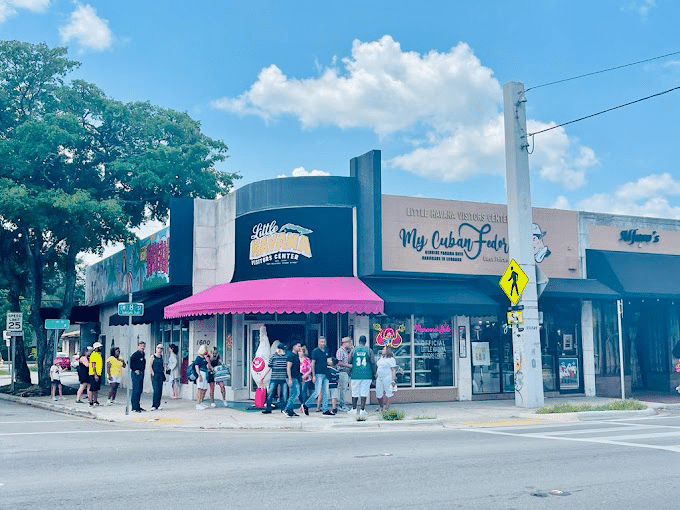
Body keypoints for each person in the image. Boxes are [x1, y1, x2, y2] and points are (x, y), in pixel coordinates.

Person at [348, 335, 375, 417]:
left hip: (355, 374)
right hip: (366, 373)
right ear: (365, 341)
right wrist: (374, 373)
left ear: (358, 341)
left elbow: (349, 361)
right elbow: (373, 362)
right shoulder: (368, 350)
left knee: (355, 392)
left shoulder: (354, 350)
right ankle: (362, 410)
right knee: (364, 391)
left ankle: (354, 409)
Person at [304, 336, 331, 416]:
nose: (323, 343)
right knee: (317, 392)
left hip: (326, 373)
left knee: (326, 392)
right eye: (321, 342)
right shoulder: (315, 351)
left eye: (324, 342)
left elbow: (328, 361)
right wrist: (313, 375)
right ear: (318, 342)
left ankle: (325, 409)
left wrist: (330, 362)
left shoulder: (327, 350)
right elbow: (313, 363)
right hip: (318, 373)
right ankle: (306, 405)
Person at [262, 343, 288, 414]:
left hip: (283, 378)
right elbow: (269, 367)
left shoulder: (286, 357)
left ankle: (283, 408)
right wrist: (263, 376)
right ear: (279, 350)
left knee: (284, 394)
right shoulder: (273, 357)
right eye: (283, 350)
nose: (284, 351)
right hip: (274, 378)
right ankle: (268, 408)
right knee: (270, 393)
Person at [375, 345, 397, 412]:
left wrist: (393, 380)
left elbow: (393, 370)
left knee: (388, 392)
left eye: (384, 349)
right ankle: (381, 407)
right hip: (379, 377)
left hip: (387, 377)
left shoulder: (391, 359)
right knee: (378, 393)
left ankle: (386, 408)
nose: (382, 350)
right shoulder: (381, 358)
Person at [284, 342, 302, 417]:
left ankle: (290, 410)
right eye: (298, 346)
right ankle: (287, 409)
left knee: (294, 393)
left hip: (296, 376)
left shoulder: (296, 356)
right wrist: (290, 379)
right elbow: (288, 367)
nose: (299, 348)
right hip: (292, 377)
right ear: (294, 347)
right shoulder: (290, 356)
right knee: (294, 393)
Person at [336, 336, 353, 410]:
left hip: (347, 372)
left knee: (345, 388)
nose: (350, 345)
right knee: (343, 389)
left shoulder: (347, 351)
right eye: (349, 343)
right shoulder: (340, 351)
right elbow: (339, 363)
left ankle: (343, 403)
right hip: (342, 371)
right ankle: (341, 404)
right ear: (345, 343)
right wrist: (349, 365)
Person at [129, 341, 146, 412]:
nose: (142, 347)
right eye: (141, 346)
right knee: (136, 389)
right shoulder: (135, 355)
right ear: (138, 346)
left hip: (141, 373)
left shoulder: (142, 354)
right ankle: (134, 407)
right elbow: (130, 362)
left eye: (143, 346)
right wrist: (135, 369)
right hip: (136, 374)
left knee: (139, 390)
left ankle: (138, 406)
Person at [149, 344, 165, 411]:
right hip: (155, 374)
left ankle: (158, 404)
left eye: (161, 348)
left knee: (160, 390)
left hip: (160, 374)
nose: (159, 349)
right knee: (156, 389)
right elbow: (150, 365)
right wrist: (152, 373)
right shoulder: (153, 356)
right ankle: (154, 405)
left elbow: (162, 366)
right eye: (158, 348)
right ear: (156, 348)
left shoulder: (161, 357)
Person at [194, 345, 210, 409]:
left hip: (205, 373)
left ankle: (201, 401)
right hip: (201, 372)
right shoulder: (198, 358)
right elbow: (196, 366)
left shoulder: (204, 357)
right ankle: (198, 403)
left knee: (204, 388)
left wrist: (206, 357)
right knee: (200, 389)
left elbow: (208, 364)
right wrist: (199, 375)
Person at [88, 341, 103, 407]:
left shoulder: (98, 354)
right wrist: (95, 375)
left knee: (96, 389)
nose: (100, 348)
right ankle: (91, 401)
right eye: (99, 347)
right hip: (94, 374)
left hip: (98, 373)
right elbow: (93, 365)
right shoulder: (93, 355)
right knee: (93, 388)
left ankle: (95, 400)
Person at [298, 346, 312, 415]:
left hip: (306, 377)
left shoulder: (307, 360)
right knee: (299, 392)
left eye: (300, 351)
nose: (299, 353)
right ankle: (302, 404)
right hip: (298, 377)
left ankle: (304, 405)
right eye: (299, 351)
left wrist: (305, 375)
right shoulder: (296, 359)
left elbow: (310, 369)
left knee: (304, 391)